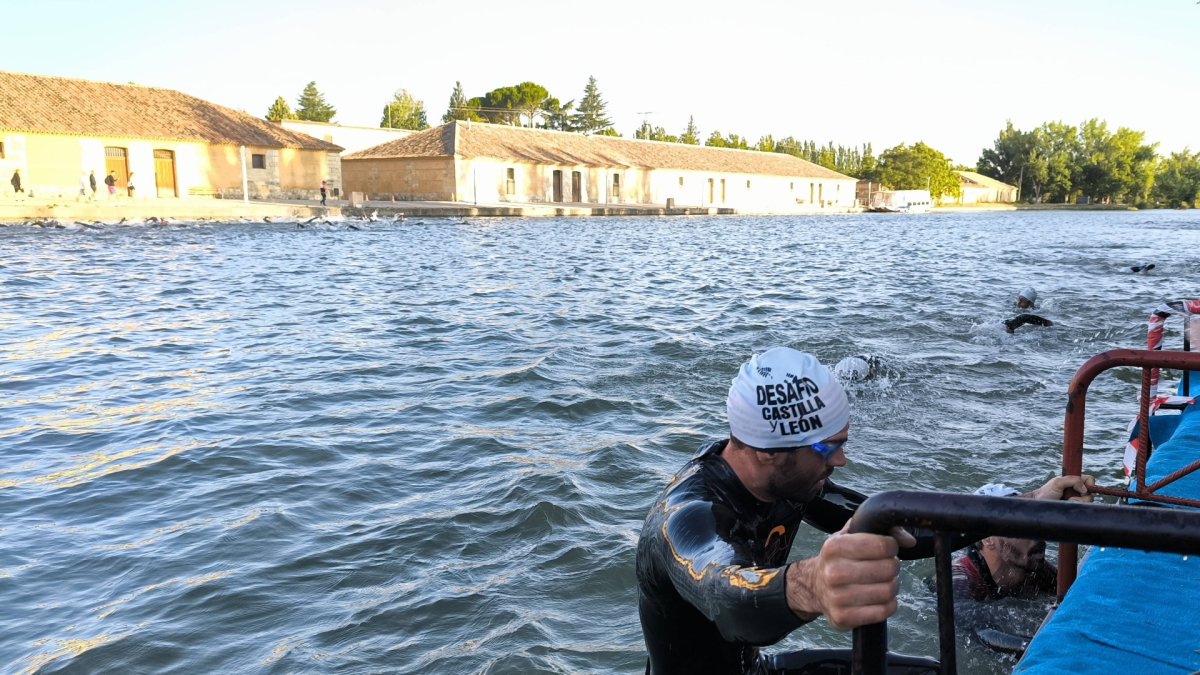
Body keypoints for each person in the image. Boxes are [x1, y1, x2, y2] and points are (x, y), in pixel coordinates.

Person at [635, 347, 1092, 674]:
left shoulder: (789, 483)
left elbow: (906, 530)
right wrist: (810, 584)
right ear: (769, 451)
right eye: (827, 449)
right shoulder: (686, 517)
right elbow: (727, 599)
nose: (840, 462)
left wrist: (1028, 506)